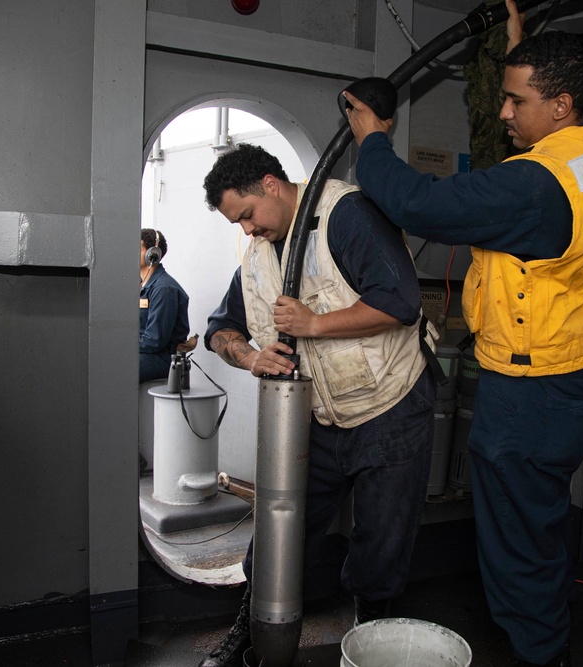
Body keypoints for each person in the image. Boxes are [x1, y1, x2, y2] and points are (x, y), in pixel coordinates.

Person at [343, 2, 583, 665]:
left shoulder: (535, 188)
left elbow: (419, 205)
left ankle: (539, 653)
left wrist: (372, 139)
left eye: (515, 99)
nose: (504, 112)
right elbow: (526, 146)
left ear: (560, 104)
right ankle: (547, 636)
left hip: (531, 392)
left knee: (517, 541)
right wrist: (518, 45)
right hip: (572, 374)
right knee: (539, 521)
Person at [198, 143, 437, 667]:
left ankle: (369, 642)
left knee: (381, 547)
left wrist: (315, 324)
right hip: (321, 420)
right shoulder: (257, 255)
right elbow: (219, 330)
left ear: (270, 184)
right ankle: (252, 631)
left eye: (246, 215)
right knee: (279, 538)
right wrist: (249, 355)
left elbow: (400, 301)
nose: (246, 230)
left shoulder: (345, 213)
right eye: (236, 224)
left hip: (390, 407)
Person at [139, 228, 190, 384]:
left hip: (160, 358)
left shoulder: (164, 289)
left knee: (115, 366)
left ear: (152, 254)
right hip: (141, 352)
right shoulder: (141, 286)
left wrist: (121, 344)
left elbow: (154, 340)